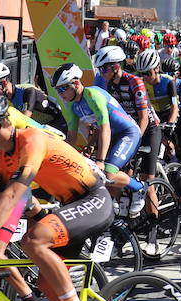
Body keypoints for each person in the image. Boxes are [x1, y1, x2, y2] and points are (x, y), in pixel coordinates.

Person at [0, 81, 112, 301]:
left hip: (94, 201)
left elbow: (14, 194)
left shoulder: (31, 140)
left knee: (33, 240)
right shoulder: (3, 159)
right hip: (72, 207)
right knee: (45, 283)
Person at [50, 62, 146, 213]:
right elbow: (71, 138)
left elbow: (105, 129)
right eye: (57, 90)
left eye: (63, 88)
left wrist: (100, 161)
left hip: (128, 133)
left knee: (107, 172)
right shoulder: (72, 106)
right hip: (111, 136)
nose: (60, 94)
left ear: (75, 83)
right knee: (92, 172)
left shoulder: (92, 95)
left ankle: (139, 188)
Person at [93, 45, 160, 209]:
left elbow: (143, 117)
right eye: (100, 70)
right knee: (115, 173)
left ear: (116, 67)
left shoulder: (134, 81)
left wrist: (135, 143)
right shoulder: (109, 85)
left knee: (147, 180)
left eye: (104, 69)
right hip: (127, 129)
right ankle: (116, 212)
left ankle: (153, 224)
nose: (102, 73)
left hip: (148, 129)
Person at [0, 62, 65, 131]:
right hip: (41, 130)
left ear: (3, 83)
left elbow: (25, 120)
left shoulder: (26, 91)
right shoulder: (7, 101)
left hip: (57, 125)